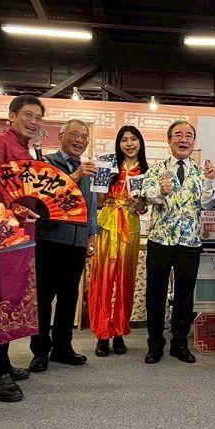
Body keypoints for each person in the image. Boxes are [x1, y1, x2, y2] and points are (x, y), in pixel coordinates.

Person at [0, 94, 46, 402]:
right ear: (11, 116)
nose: (33, 122)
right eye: (28, 115)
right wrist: (15, 210)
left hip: (22, 234)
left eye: (38, 117)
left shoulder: (29, 150)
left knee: (14, 297)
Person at [141, 120, 215, 364]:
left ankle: (179, 343)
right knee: (156, 294)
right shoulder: (156, 169)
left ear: (193, 142)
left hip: (190, 241)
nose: (184, 139)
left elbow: (207, 204)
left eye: (189, 135)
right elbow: (146, 196)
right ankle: (155, 344)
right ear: (169, 140)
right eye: (178, 135)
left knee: (185, 294)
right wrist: (160, 191)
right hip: (160, 240)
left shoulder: (200, 172)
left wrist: (209, 181)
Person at [28, 119, 99, 372]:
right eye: (75, 134)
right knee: (44, 297)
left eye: (84, 137)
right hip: (49, 239)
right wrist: (76, 176)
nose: (80, 140)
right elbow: (47, 196)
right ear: (61, 136)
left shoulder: (88, 169)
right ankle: (40, 351)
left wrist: (91, 236)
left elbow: (91, 207)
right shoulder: (46, 162)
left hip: (77, 242)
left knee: (69, 298)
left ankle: (62, 347)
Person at [88, 125, 149, 357]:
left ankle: (120, 332)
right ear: (119, 144)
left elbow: (143, 208)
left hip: (130, 228)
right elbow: (99, 202)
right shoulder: (109, 165)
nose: (129, 144)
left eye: (134, 139)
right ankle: (102, 334)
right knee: (103, 280)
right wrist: (99, 181)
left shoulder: (147, 171)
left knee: (125, 281)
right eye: (124, 140)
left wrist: (138, 202)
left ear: (140, 143)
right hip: (107, 226)